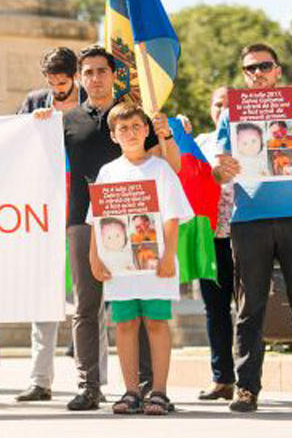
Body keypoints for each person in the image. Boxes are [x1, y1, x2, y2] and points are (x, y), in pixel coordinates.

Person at [33, 45, 180, 411]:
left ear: (113, 75)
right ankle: (90, 386)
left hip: (139, 222)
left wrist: (167, 134)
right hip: (84, 222)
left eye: (101, 71)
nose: (95, 78)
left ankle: (148, 390)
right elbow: (37, 164)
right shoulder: (64, 122)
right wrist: (31, 127)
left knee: (142, 306)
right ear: (80, 78)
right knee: (86, 307)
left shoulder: (133, 117)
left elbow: (167, 164)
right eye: (88, 72)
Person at [212, 43, 292, 413]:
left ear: (278, 71)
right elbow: (219, 172)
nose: (257, 73)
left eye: (264, 66)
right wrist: (223, 167)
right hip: (248, 219)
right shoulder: (230, 116)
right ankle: (246, 388)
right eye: (250, 68)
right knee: (250, 306)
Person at [15, 46, 109, 403]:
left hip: (85, 204)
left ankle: (94, 379)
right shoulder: (34, 102)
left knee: (90, 297)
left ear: (75, 76)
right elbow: (14, 146)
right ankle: (40, 379)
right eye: (51, 82)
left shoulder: (93, 99)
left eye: (63, 82)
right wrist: (28, 126)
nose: (56, 89)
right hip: (46, 205)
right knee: (44, 293)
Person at [89, 101, 192, 416]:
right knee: (125, 325)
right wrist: (95, 257)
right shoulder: (108, 171)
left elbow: (173, 218)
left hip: (154, 263)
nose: (131, 133)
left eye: (136, 127)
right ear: (113, 136)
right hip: (120, 266)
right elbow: (97, 219)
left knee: (157, 323)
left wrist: (169, 257)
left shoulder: (160, 169)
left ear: (147, 130)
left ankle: (158, 391)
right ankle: (131, 391)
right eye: (123, 129)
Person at [194, 87, 236, 402]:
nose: (222, 108)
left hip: (247, 234)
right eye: (217, 103)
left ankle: (250, 378)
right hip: (212, 237)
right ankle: (222, 380)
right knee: (216, 310)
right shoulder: (201, 143)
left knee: (251, 309)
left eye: (228, 103)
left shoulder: (251, 137)